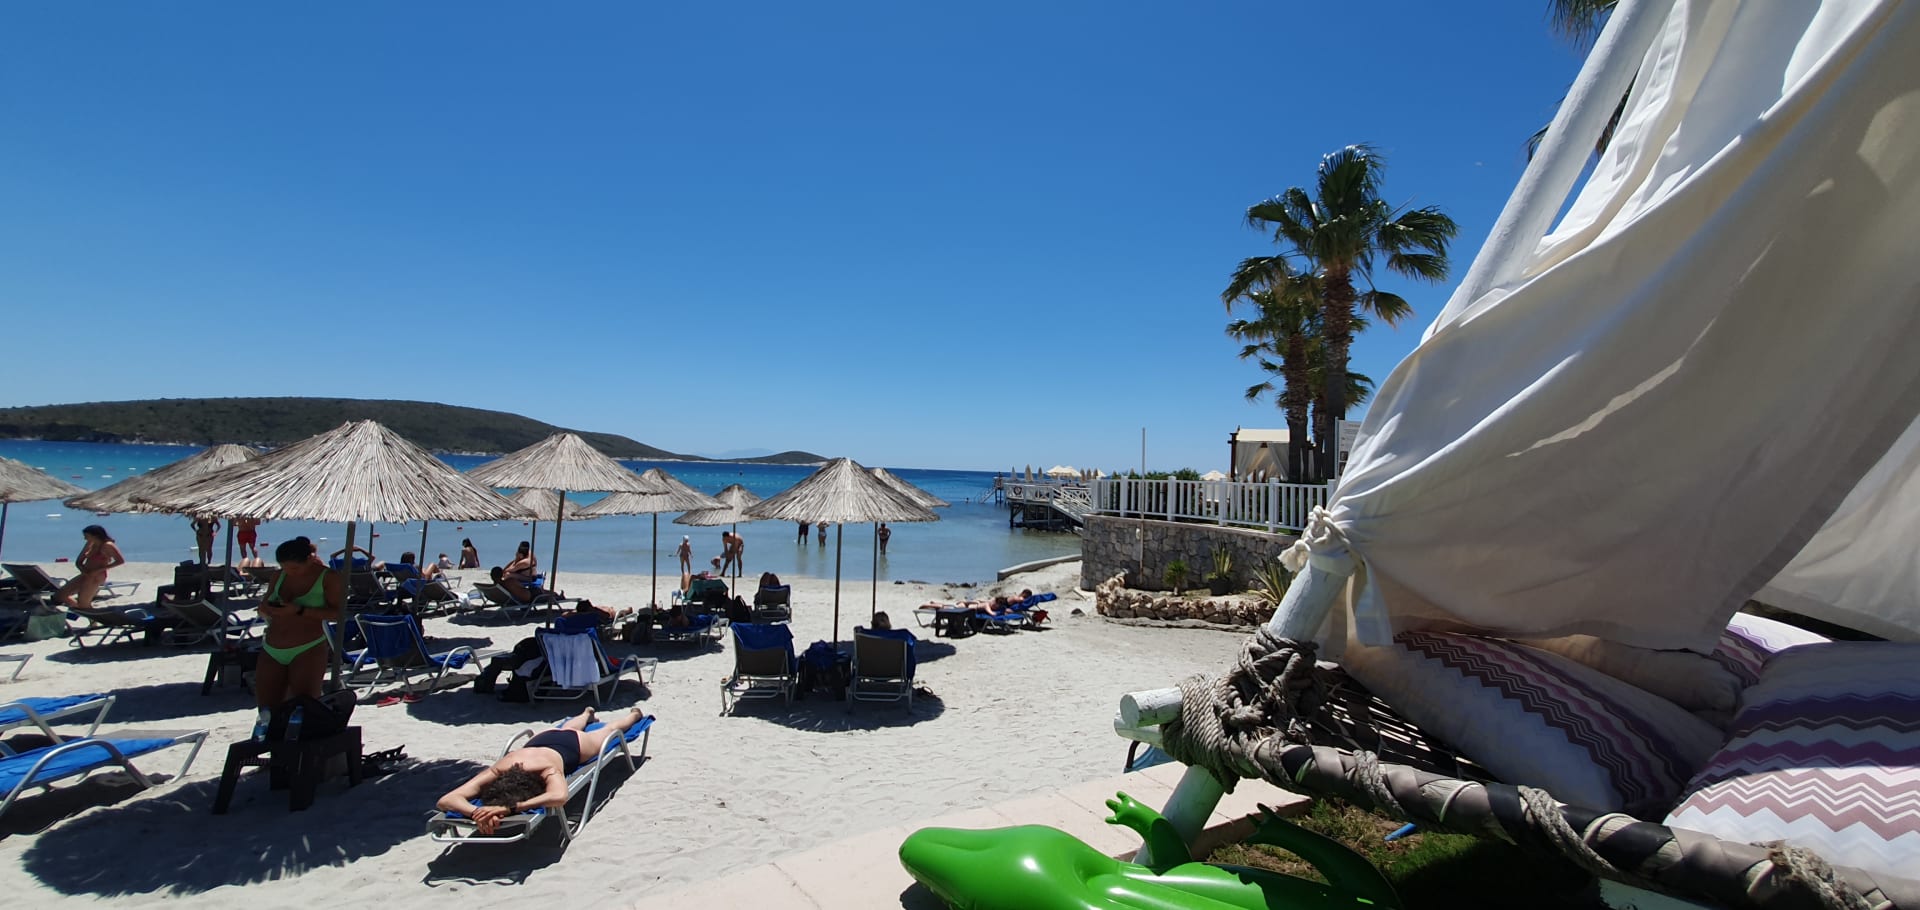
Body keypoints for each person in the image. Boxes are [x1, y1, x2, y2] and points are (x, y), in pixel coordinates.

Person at [436, 707, 653, 834]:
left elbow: (560, 796)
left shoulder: (543, 769)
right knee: (569, 728)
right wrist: (477, 813)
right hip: (545, 739)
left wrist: (513, 807)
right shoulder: (500, 770)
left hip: (573, 746)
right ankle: (587, 713)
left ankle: (634, 716)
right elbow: (446, 800)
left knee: (608, 730)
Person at [252, 538, 344, 739]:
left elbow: (338, 614)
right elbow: (265, 604)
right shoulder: (279, 576)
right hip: (272, 646)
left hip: (307, 647)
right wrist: (266, 609)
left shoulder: (328, 577)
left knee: (304, 707)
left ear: (309, 560)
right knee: (267, 710)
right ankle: (275, 749)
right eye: (284, 567)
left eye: (294, 568)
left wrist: (300, 610)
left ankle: (300, 751)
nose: (289, 572)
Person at [55, 525, 125, 611]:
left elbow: (120, 561)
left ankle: (88, 614)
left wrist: (98, 570)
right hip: (86, 573)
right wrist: (82, 569)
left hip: (96, 576)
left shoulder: (107, 545)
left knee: (83, 603)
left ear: (95, 535)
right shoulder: (90, 544)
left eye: (87, 536)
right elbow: (78, 561)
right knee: (60, 595)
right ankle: (81, 610)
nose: (85, 538)